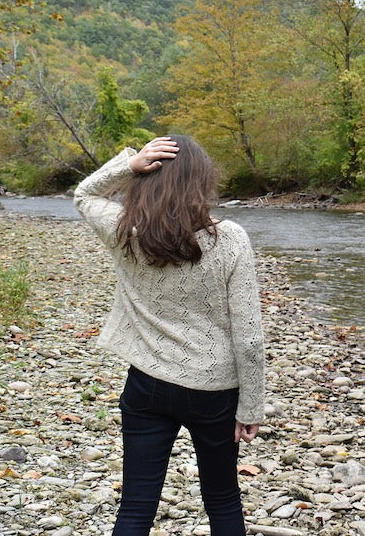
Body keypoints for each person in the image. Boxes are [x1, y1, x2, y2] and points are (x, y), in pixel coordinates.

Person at [74, 135, 265, 535]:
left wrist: (130, 165)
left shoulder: (124, 230)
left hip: (146, 385)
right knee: (223, 499)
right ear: (203, 182)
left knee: (136, 505)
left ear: (148, 180)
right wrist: (251, 407)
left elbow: (84, 193)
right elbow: (248, 336)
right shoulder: (229, 239)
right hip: (215, 391)